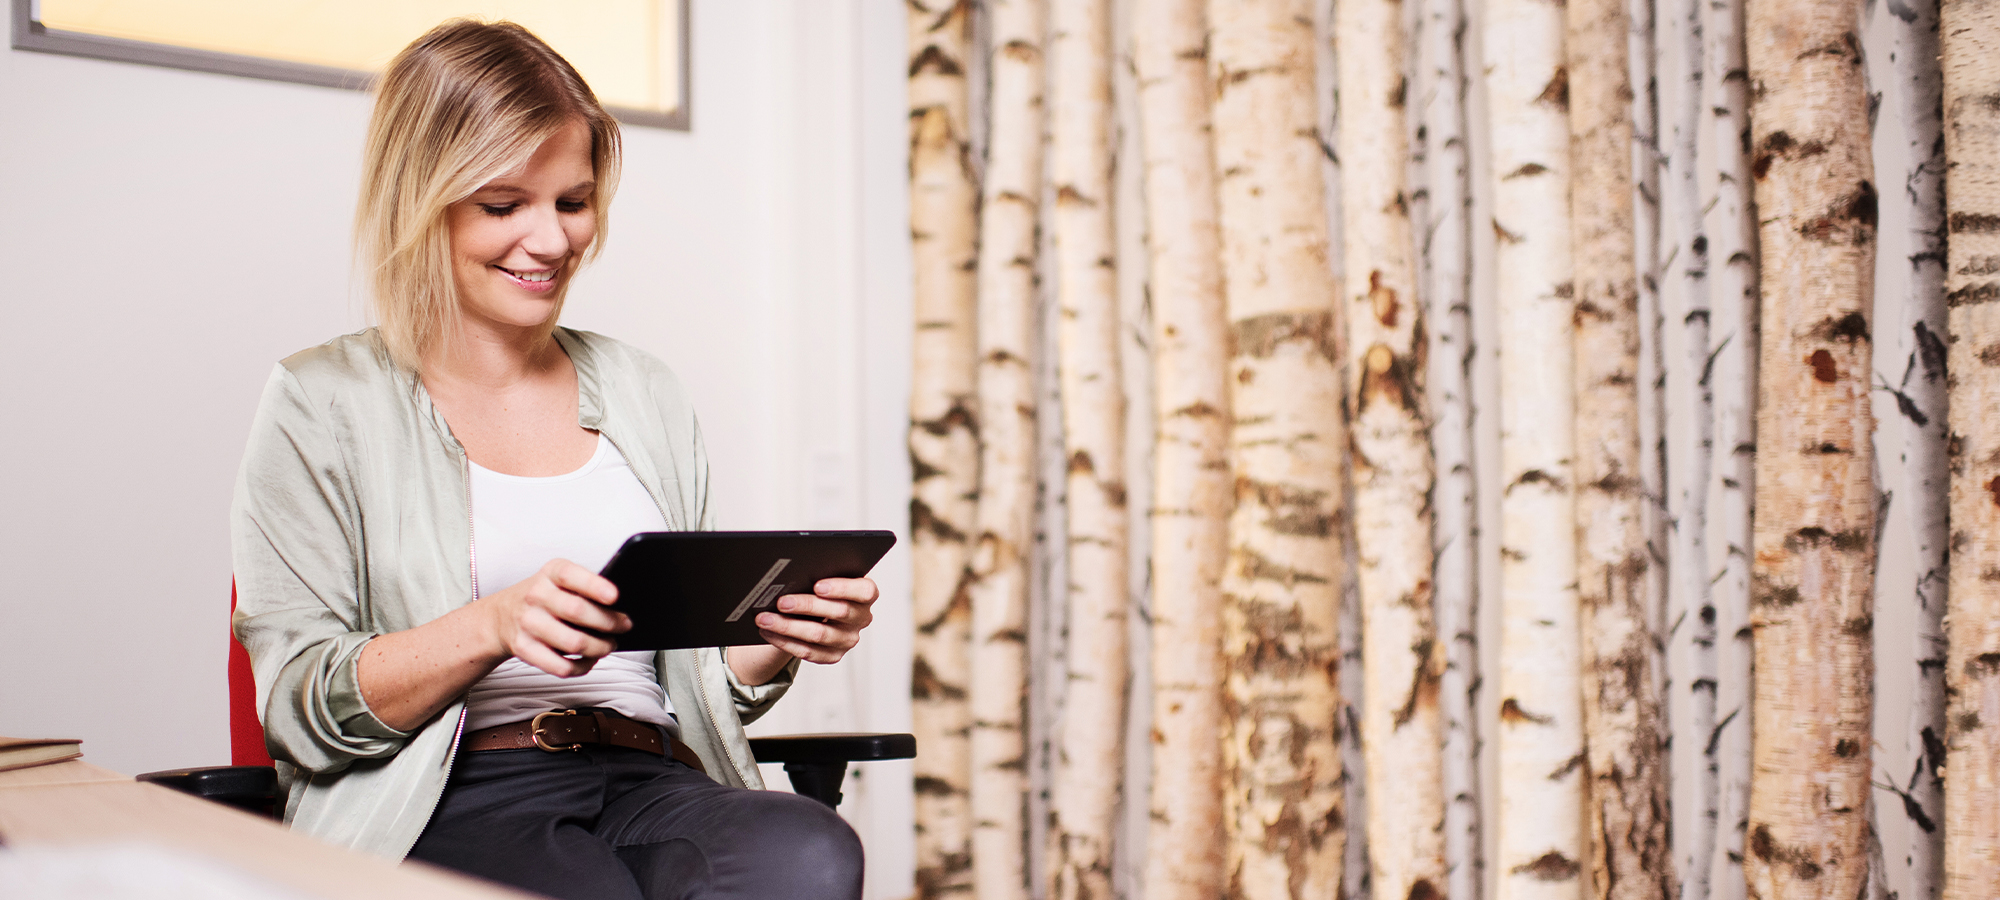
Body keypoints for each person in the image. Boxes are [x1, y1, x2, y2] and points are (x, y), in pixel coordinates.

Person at [230, 20, 875, 900]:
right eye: (504, 206)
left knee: (810, 849)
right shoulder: (321, 401)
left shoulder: (644, 390)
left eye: (572, 203)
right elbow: (301, 710)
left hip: (651, 775)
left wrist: (769, 645)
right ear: (422, 197)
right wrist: (493, 626)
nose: (550, 241)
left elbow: (690, 682)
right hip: (449, 797)